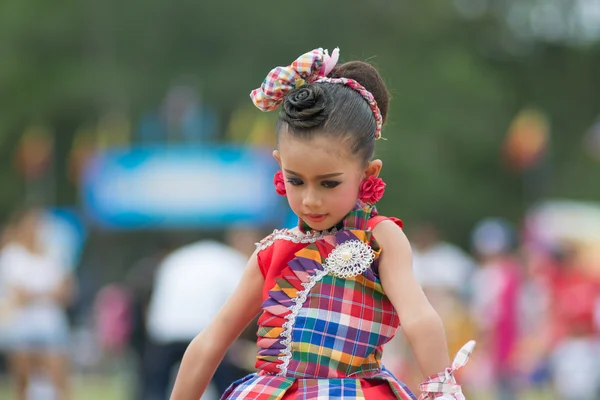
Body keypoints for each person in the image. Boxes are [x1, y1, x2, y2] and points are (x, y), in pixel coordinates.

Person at [170, 47, 475, 400]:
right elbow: (212, 340)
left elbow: (419, 317)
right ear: (279, 166)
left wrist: (440, 388)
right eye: (296, 181)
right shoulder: (270, 252)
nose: (310, 199)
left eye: (329, 183)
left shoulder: (380, 238)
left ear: (367, 174)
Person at [0, 208, 74, 400]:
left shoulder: (53, 254)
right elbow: (18, 293)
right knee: (22, 382)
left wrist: (37, 294)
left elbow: (65, 290)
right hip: (20, 325)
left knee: (59, 380)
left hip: (50, 325)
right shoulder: (12, 255)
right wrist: (47, 294)